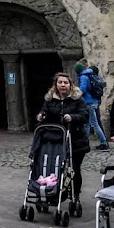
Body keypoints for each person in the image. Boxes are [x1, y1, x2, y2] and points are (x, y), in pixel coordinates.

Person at [36, 72, 90, 205]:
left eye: (65, 82)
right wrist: (41, 115)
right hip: (56, 140)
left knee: (74, 169)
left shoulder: (77, 99)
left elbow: (84, 115)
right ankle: (54, 191)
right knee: (54, 166)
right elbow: (45, 111)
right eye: (60, 82)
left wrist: (72, 117)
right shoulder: (49, 99)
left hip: (75, 140)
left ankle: (75, 194)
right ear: (56, 85)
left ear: (70, 85)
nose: (63, 85)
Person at [77, 66, 109, 150]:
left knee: (94, 124)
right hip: (94, 101)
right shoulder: (91, 75)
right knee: (87, 124)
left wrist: (75, 93)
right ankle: (84, 142)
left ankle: (104, 143)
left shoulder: (84, 77)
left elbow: (83, 89)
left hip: (88, 103)